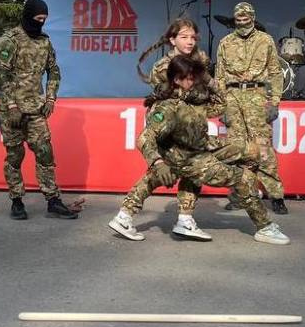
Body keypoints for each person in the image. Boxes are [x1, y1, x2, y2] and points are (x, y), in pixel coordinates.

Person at [108, 56, 290, 245]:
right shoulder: (168, 107)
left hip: (201, 146)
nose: (194, 81)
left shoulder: (193, 97)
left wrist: (208, 80)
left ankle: (189, 217)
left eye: (196, 77)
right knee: (242, 179)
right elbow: (145, 138)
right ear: (177, 80)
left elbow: (221, 104)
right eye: (190, 78)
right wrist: (158, 163)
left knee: (251, 151)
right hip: (188, 158)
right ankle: (264, 226)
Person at [0, 0, 77, 221]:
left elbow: (53, 70)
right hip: (11, 109)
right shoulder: (9, 41)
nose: (41, 23)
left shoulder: (44, 42)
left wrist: (50, 99)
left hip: (35, 108)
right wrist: (12, 105)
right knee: (15, 154)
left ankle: (53, 200)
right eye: (38, 18)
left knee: (45, 151)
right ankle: (17, 200)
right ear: (28, 15)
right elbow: (1, 75)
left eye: (44, 19)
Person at [131, 18, 214, 239]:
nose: (190, 41)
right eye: (184, 37)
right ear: (172, 40)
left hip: (190, 125)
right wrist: (201, 94)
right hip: (170, 126)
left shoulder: (200, 58)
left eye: (193, 37)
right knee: (159, 174)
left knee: (193, 169)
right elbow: (169, 98)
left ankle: (185, 219)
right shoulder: (163, 67)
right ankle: (125, 215)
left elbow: (207, 88)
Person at [216, 2, 288, 214]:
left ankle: (276, 196)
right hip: (232, 97)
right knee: (236, 147)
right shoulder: (225, 43)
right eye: (238, 20)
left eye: (246, 19)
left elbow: (275, 72)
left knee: (263, 148)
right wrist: (222, 106)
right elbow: (219, 77)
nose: (242, 23)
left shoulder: (265, 40)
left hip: (257, 95)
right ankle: (240, 195)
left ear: (253, 18)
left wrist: (275, 101)